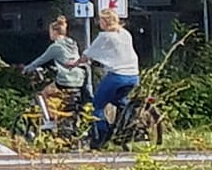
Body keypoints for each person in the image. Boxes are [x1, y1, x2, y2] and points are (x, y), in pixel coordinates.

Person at [84, 9, 141, 147]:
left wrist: (74, 63)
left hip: (117, 76)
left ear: (105, 21)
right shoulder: (125, 33)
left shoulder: (105, 36)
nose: (99, 23)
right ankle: (126, 127)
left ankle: (101, 138)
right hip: (133, 76)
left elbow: (88, 54)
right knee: (119, 101)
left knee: (98, 105)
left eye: (100, 20)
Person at [21, 16, 86, 125]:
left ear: (55, 32)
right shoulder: (72, 43)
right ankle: (61, 119)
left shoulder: (56, 47)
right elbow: (68, 59)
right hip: (79, 79)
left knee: (44, 94)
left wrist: (26, 69)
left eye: (50, 31)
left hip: (66, 80)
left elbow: (40, 60)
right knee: (61, 98)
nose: (49, 34)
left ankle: (50, 121)